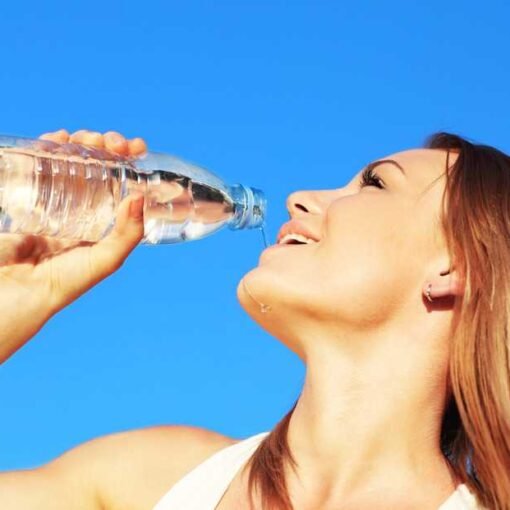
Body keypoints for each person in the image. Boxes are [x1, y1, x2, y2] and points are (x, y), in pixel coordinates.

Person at [0, 129, 506, 510]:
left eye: (375, 183)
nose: (300, 197)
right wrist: (18, 298)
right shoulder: (155, 479)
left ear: (452, 268)